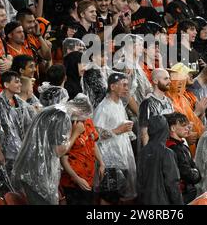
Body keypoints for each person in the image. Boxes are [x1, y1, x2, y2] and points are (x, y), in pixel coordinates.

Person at [0, 71, 32, 195]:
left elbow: (27, 125)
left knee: (18, 187)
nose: (20, 84)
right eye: (16, 81)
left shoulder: (20, 103)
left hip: (19, 152)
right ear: (6, 84)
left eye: (20, 81)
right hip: (5, 153)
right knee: (5, 188)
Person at [12, 104, 73, 204]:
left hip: (30, 170)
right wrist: (75, 133)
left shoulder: (48, 113)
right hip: (37, 173)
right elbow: (58, 150)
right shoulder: (61, 117)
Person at [93, 73, 137, 205]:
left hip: (121, 157)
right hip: (109, 160)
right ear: (112, 86)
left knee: (117, 195)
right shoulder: (103, 107)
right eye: (123, 85)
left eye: (127, 85)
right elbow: (95, 133)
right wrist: (118, 130)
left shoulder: (118, 104)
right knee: (108, 196)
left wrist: (126, 130)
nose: (127, 88)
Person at [60, 94, 104, 205]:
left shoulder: (88, 121)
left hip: (89, 177)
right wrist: (77, 179)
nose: (86, 117)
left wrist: (101, 162)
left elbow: (93, 143)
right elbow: (63, 158)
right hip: (73, 182)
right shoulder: (67, 125)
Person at [137, 114, 183, 205]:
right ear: (165, 129)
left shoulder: (142, 152)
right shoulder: (167, 153)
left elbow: (139, 182)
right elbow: (172, 184)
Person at [165, 112, 201, 204]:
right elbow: (187, 173)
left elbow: (193, 167)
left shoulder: (182, 146)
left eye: (187, 125)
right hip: (181, 194)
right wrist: (196, 174)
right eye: (183, 125)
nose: (187, 128)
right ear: (172, 128)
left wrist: (195, 173)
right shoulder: (172, 148)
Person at [139, 68, 174, 146]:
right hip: (155, 147)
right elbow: (144, 132)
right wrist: (148, 153)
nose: (169, 81)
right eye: (166, 79)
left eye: (169, 79)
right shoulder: (147, 102)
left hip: (169, 146)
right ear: (155, 81)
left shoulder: (169, 101)